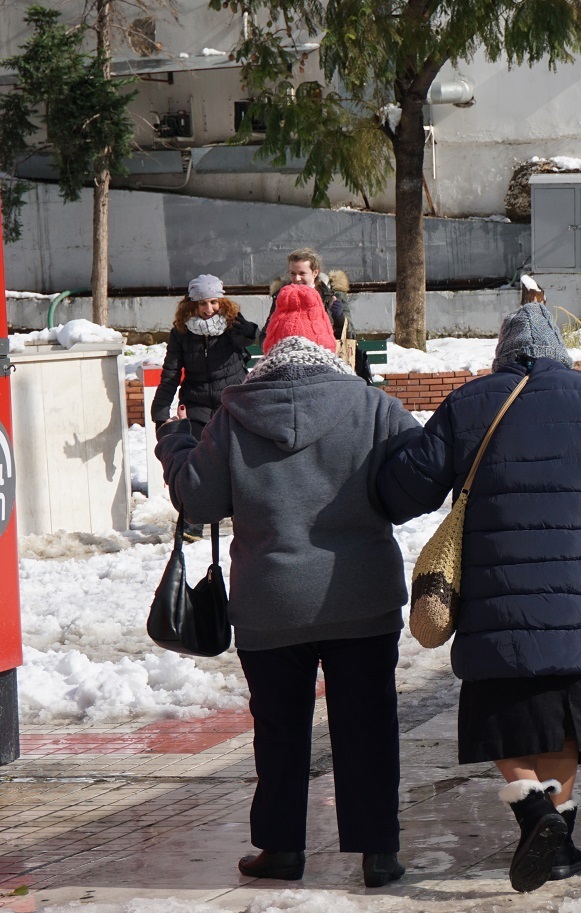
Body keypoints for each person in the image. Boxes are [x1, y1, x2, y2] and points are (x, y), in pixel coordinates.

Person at [375, 293, 581, 894]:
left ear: (503, 356)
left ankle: (535, 814)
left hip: (500, 608)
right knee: (567, 724)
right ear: (560, 354)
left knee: (502, 722)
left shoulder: (468, 406)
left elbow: (402, 490)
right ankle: (561, 842)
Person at [156, 283, 419, 889]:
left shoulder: (235, 412)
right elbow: (415, 481)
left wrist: (173, 443)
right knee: (369, 726)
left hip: (270, 602)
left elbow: (198, 498)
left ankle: (281, 849)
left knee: (279, 729)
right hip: (362, 599)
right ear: (328, 341)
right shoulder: (373, 407)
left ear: (270, 342)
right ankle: (377, 851)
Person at [150, 275, 258, 439]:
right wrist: (160, 413)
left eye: (213, 302)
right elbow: (171, 374)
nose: (209, 309)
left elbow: (244, 340)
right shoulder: (181, 332)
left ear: (221, 302)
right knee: (198, 456)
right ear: (193, 304)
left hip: (232, 401)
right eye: (202, 303)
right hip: (196, 405)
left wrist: (250, 332)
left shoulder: (231, 324)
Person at [263, 247, 372, 382]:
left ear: (315, 272)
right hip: (288, 370)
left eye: (302, 273)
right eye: (292, 273)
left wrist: (339, 317)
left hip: (325, 370)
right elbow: (266, 336)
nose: (297, 279)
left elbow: (350, 334)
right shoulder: (282, 296)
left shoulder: (332, 295)